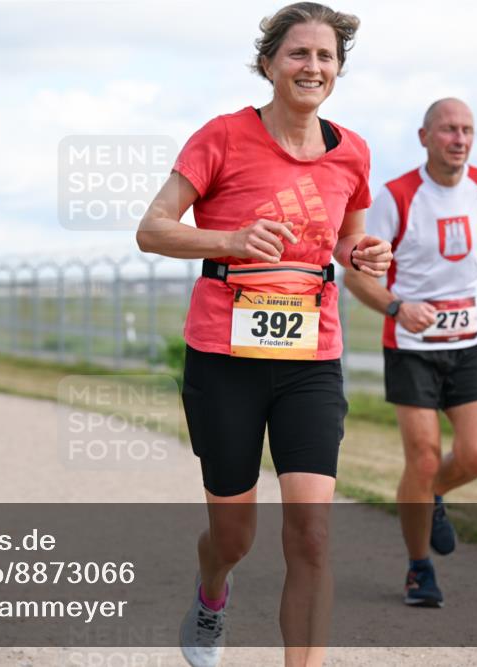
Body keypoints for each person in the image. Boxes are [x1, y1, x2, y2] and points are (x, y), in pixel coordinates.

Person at [136, 4, 391, 665]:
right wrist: (232, 239)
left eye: (326, 56)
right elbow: (152, 229)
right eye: (299, 53)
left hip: (312, 357)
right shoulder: (221, 136)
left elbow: (347, 244)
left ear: (338, 69)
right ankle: (212, 591)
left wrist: (367, 259)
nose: (313, 66)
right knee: (234, 536)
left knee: (311, 535)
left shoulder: (353, 152)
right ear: (269, 62)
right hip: (225, 358)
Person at [343, 98, 477, 609]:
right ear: (424, 137)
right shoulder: (396, 196)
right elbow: (356, 274)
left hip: (470, 344)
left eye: (467, 130)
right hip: (411, 347)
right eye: (448, 130)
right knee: (420, 459)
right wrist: (397, 307)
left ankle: (428, 496)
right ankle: (419, 569)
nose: (459, 139)